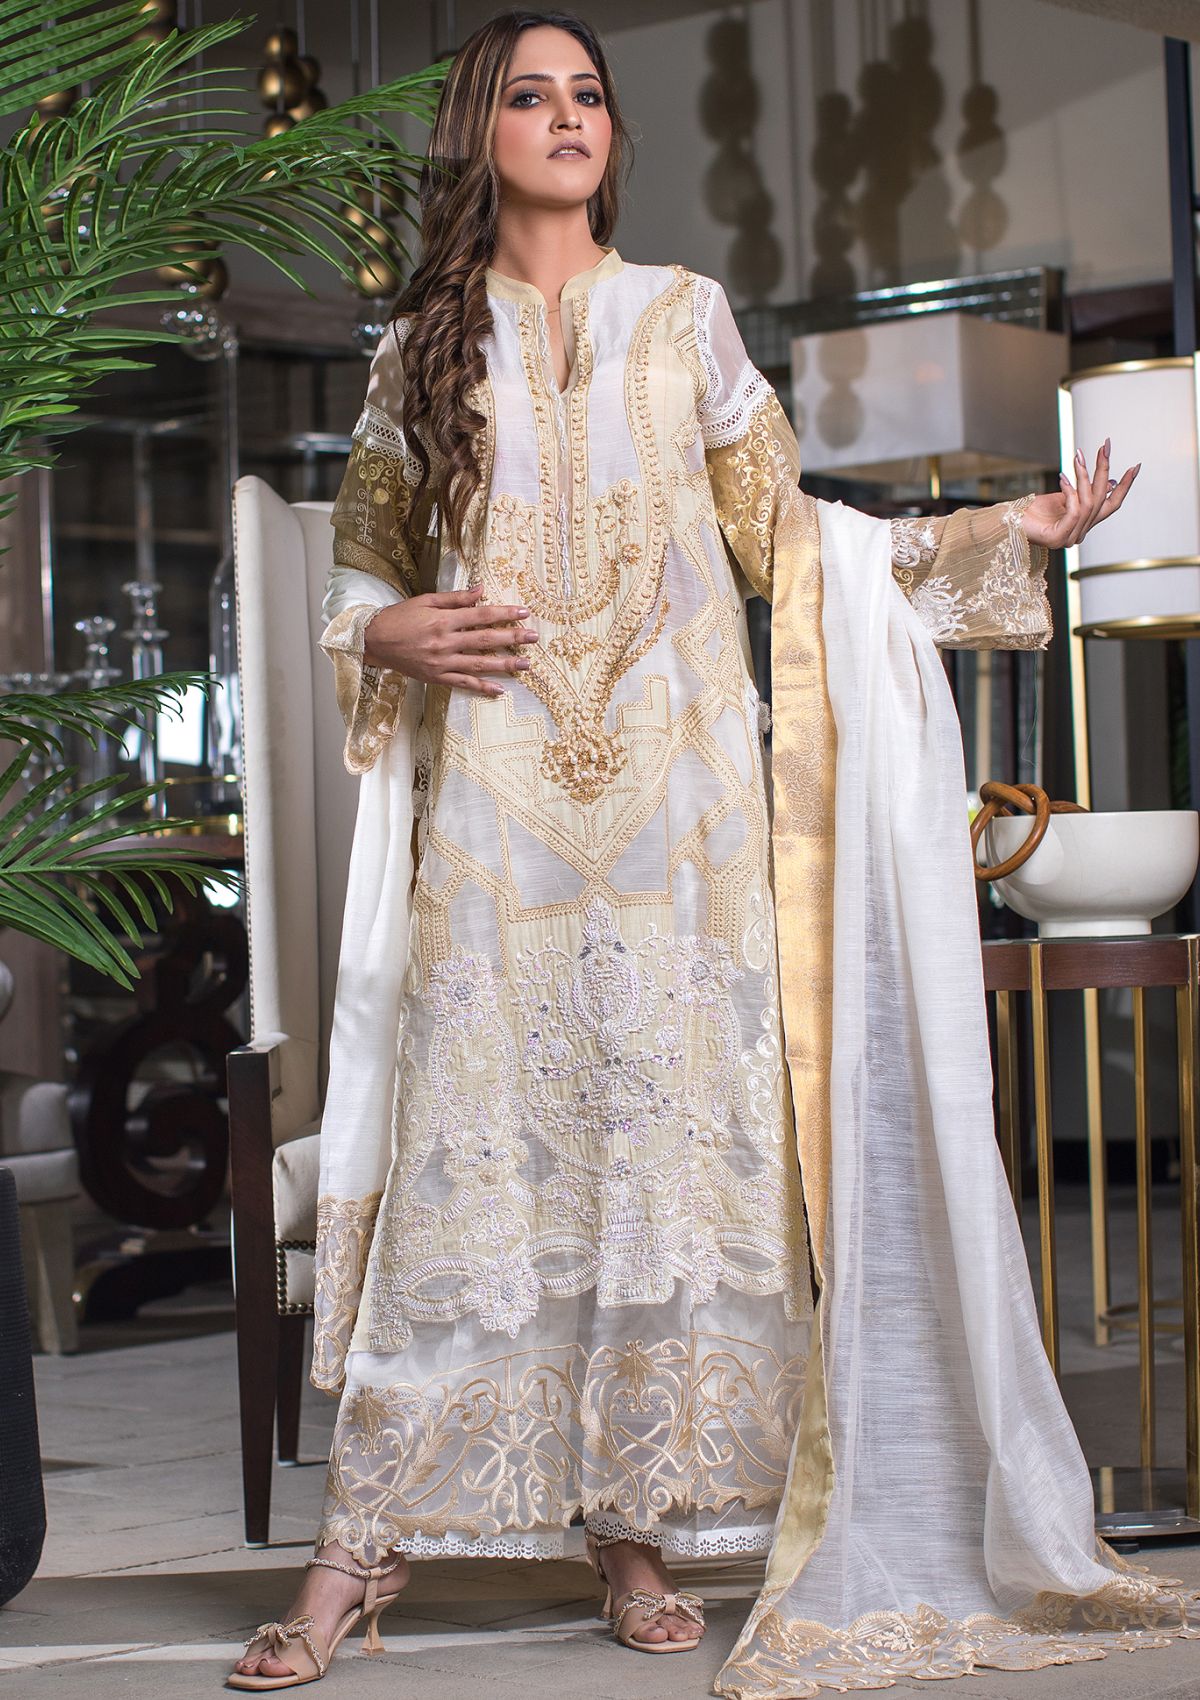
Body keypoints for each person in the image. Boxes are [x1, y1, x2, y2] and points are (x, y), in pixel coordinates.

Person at [229, 11, 1196, 1696]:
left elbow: (791, 546)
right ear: (480, 132)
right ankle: (356, 1550)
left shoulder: (686, 318)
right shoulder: (417, 355)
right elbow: (360, 572)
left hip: (682, 826)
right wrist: (385, 635)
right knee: (483, 1155)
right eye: (531, 95)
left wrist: (999, 534)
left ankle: (638, 1531)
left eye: (590, 94)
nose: (568, 116)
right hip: (500, 817)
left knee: (662, 1164)